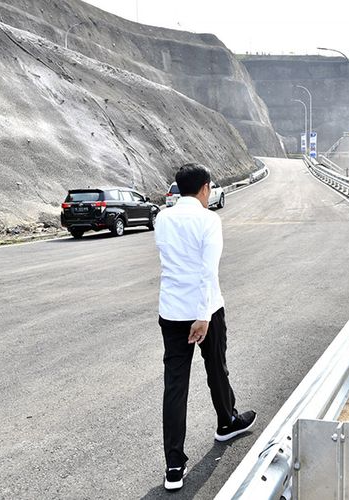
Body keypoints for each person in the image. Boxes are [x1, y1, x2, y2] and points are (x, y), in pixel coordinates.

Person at [154, 163, 256, 491]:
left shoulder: (162, 217)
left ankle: (173, 465)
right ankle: (226, 421)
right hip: (205, 309)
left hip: (171, 312)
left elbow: (172, 262)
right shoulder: (209, 219)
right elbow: (207, 271)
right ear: (205, 188)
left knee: (175, 385)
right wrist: (202, 316)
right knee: (216, 369)